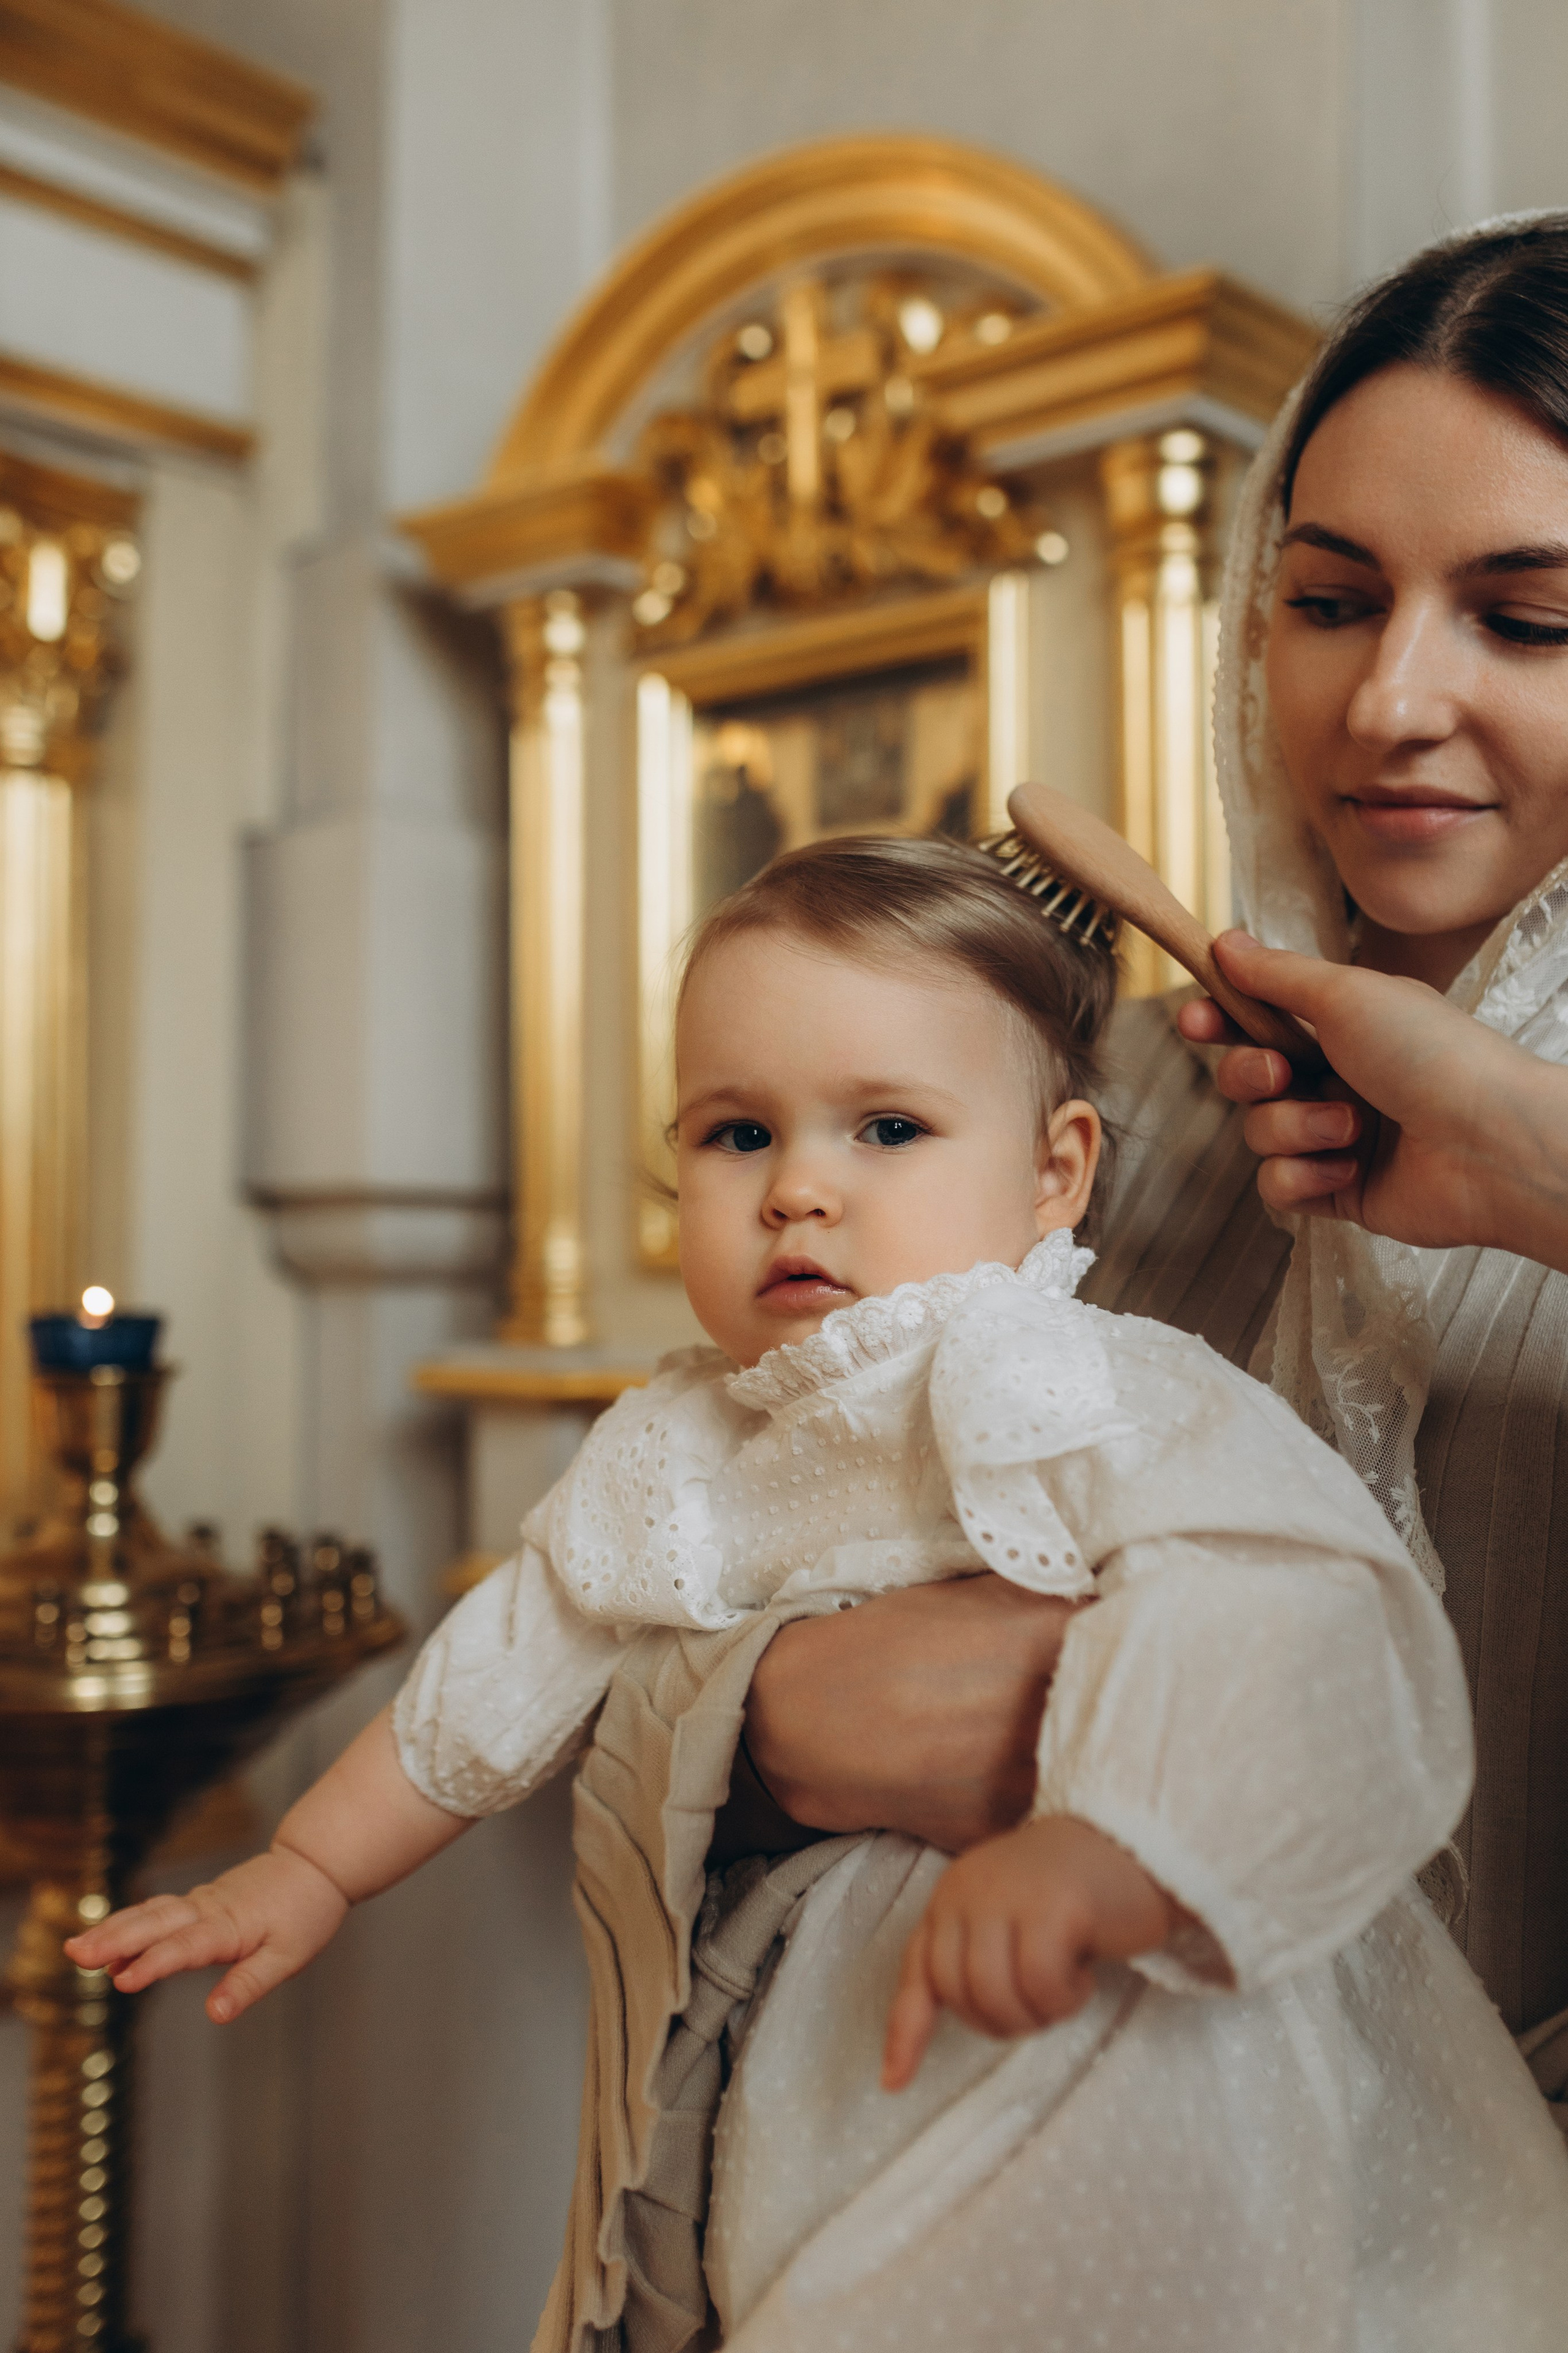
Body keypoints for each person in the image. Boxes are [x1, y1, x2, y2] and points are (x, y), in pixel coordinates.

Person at [66, 837, 1568, 2351]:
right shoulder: (683, 1437)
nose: (796, 1189)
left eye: (886, 1127)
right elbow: (508, 1663)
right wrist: (310, 1868)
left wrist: (1114, 1847)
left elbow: (1280, 1597)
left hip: (1140, 2000)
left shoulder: (1076, 1379)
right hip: (834, 2033)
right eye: (734, 1135)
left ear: (1055, 1170)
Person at [739, 219, 1568, 2139]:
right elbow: (721, 1525)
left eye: (1530, 620)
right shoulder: (1106, 1106)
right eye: (1335, 599)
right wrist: (777, 1722)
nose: (1387, 706)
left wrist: (1534, 1165)